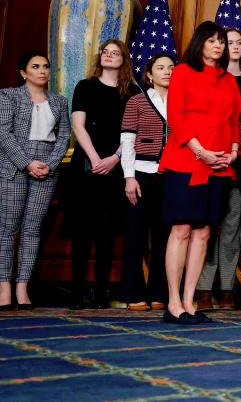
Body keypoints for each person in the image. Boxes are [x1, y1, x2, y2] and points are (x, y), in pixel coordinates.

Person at [159, 21, 241, 325]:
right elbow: (176, 117)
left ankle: (189, 300)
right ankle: (173, 302)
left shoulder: (229, 80)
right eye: (211, 41)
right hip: (187, 161)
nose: (218, 46)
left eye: (221, 41)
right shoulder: (182, 71)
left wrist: (232, 151)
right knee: (181, 229)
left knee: (205, 231)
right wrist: (201, 152)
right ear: (200, 44)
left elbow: (235, 121)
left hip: (220, 164)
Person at [68, 39, 140, 309]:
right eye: (106, 52)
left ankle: (100, 291)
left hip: (115, 166)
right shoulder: (85, 86)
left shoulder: (132, 91)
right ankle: (77, 291)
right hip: (86, 166)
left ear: (124, 59)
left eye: (116, 53)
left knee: (107, 232)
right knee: (81, 230)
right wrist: (96, 158)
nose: (109, 56)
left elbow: (132, 132)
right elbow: (78, 126)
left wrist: (113, 158)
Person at [0, 52, 70, 310]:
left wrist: (48, 165)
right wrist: (27, 163)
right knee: (7, 231)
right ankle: (4, 287)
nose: (42, 71)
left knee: (32, 230)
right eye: (35, 67)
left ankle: (22, 287)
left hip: (46, 170)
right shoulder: (8, 96)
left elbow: (64, 137)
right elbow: (3, 134)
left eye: (46, 67)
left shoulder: (59, 101)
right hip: (14, 168)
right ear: (23, 73)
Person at [196, 28, 241, 311]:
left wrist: (233, 153)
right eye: (225, 42)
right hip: (208, 161)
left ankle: (227, 286)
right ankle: (204, 287)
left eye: (237, 42)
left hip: (240, 165)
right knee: (206, 227)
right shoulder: (210, 79)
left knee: (232, 228)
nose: (232, 46)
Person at [119, 53, 174, 312]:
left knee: (165, 237)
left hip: (171, 176)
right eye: (160, 68)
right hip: (141, 174)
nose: (167, 71)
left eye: (171, 67)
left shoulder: (182, 102)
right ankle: (132, 292)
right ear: (149, 75)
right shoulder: (136, 102)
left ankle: (159, 292)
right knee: (136, 236)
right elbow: (127, 141)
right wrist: (129, 177)